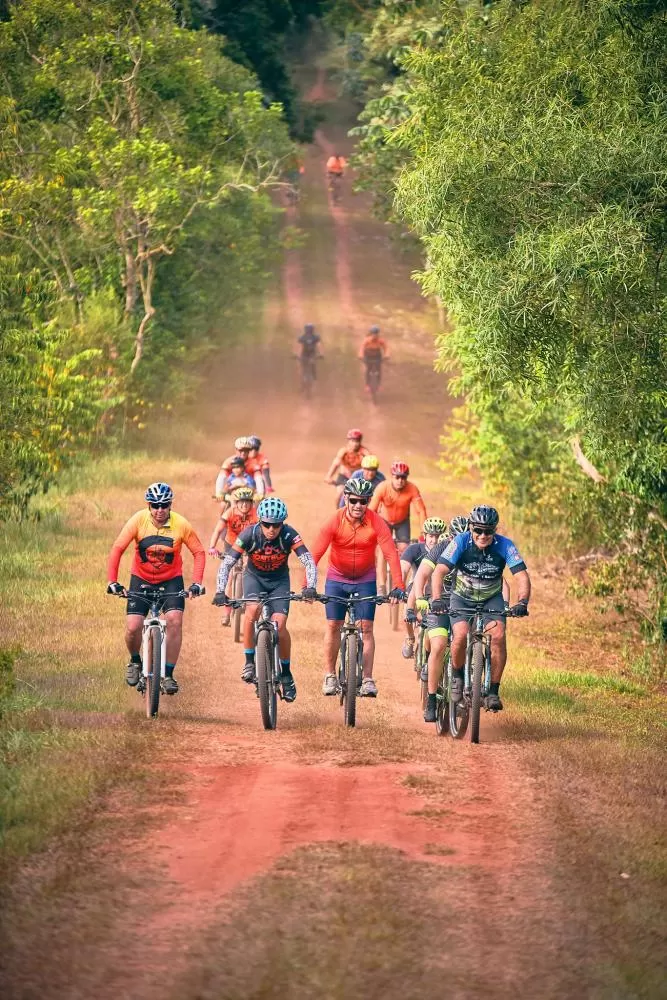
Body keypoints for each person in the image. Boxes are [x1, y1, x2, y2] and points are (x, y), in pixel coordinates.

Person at [309, 477, 405, 699]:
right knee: (333, 625)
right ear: (346, 498)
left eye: (363, 501)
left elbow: (391, 554)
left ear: (369, 501)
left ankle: (368, 679)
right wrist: (308, 585)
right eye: (353, 500)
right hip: (337, 578)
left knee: (367, 628)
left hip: (365, 580)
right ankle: (330, 675)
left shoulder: (376, 522)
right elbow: (314, 554)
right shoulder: (334, 520)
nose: (358, 506)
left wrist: (398, 586)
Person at [106, 482, 205, 695]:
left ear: (170, 505)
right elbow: (118, 548)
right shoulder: (138, 520)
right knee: (133, 627)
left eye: (164, 505)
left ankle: (168, 674)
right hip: (141, 579)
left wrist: (196, 583)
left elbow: (198, 552)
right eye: (155, 505)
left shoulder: (181, 524)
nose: (160, 510)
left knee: (175, 621)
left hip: (171, 580)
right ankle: (135, 661)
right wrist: (112, 581)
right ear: (148, 506)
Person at [429, 505, 531, 712]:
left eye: (488, 531)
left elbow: (522, 576)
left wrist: (522, 602)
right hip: (461, 597)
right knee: (460, 634)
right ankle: (458, 675)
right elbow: (439, 571)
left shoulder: (505, 545)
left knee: (498, 636)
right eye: (478, 530)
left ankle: (493, 691)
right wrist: (437, 599)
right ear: (471, 528)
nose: (483, 535)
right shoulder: (460, 542)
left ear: (495, 530)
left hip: (490, 599)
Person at [215, 496, 317, 703]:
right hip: (254, 578)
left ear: (282, 523)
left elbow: (308, 560)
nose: (271, 529)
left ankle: (286, 674)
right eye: (267, 524)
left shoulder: (289, 534)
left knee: (280, 625)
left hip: (279, 582)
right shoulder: (249, 534)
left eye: (276, 525)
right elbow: (227, 563)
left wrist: (311, 587)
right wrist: (219, 590)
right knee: (252, 611)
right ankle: (249, 662)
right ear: (260, 521)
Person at [406, 514, 466, 722]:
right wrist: (419, 599)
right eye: (456, 537)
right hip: (438, 601)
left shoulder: (475, 550)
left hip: (464, 604)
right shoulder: (441, 548)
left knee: (466, 641)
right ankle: (431, 700)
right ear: (450, 536)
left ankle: (468, 686)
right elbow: (421, 575)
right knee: (439, 645)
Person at [369, 461, 427, 592]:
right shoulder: (382, 487)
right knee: (383, 549)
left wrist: (424, 533)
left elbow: (421, 511)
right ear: (392, 476)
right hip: (384, 521)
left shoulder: (412, 488)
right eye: (397, 477)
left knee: (405, 549)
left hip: (402, 522)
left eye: (403, 477)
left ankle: (400, 585)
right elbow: (371, 510)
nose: (400, 480)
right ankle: (382, 586)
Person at [399, 517, 447, 659]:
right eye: (431, 536)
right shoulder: (414, 549)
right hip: (416, 586)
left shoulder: (446, 551)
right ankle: (410, 638)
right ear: (424, 536)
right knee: (407, 612)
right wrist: (399, 587)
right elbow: (403, 570)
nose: (434, 540)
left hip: (437, 589)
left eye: (438, 536)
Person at [209, 485, 258, 623]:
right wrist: (212, 547)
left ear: (251, 503)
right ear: (236, 503)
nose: (244, 505)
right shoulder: (229, 512)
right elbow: (218, 530)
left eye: (247, 502)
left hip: (249, 545)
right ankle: (226, 612)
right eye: (241, 502)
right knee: (230, 577)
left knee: (251, 571)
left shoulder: (256, 514)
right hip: (231, 544)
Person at [324, 428, 369, 507]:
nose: (355, 444)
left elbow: (371, 466)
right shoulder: (343, 451)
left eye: (357, 441)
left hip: (358, 478)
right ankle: (338, 512)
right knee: (339, 493)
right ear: (348, 441)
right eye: (352, 441)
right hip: (344, 477)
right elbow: (335, 464)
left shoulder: (365, 452)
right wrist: (329, 476)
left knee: (363, 498)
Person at [358, 326, 389, 393]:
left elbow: (386, 348)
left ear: (378, 334)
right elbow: (362, 348)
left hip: (377, 356)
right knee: (368, 369)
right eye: (374, 333)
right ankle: (367, 385)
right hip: (368, 355)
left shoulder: (381, 341)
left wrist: (387, 355)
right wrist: (360, 355)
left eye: (376, 333)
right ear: (371, 334)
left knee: (378, 370)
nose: (375, 335)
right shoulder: (367, 340)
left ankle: (379, 385)